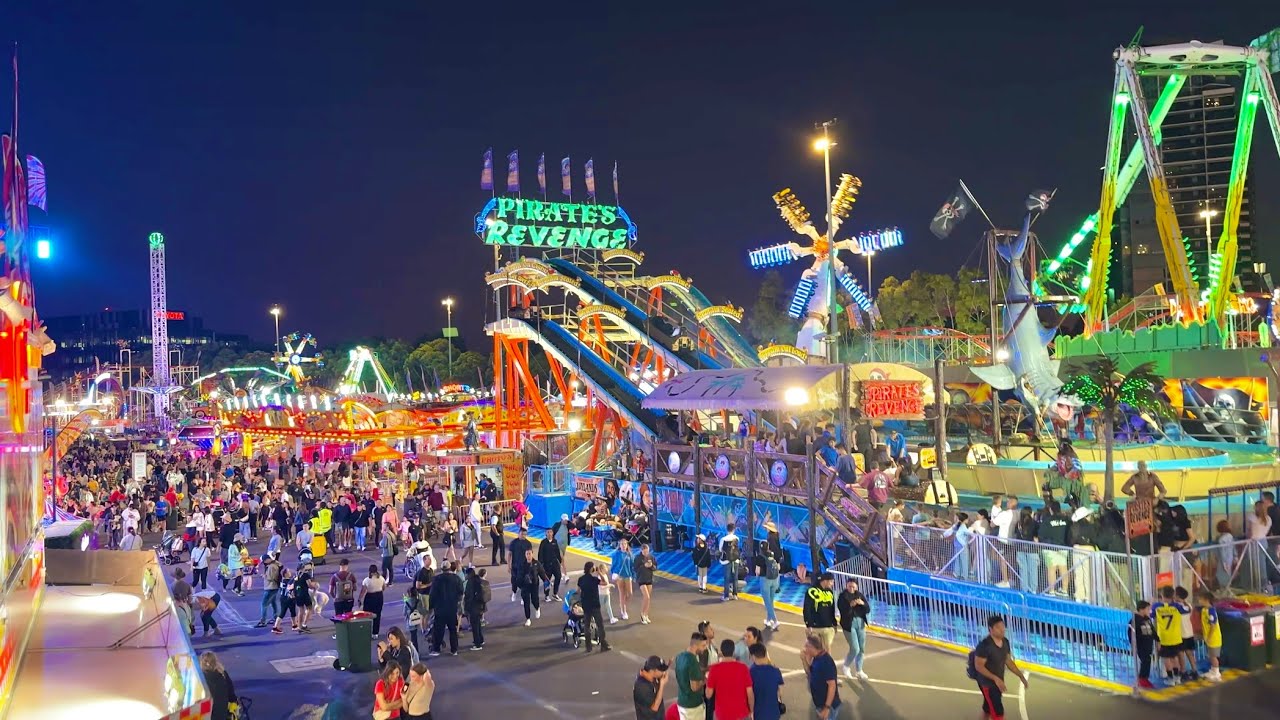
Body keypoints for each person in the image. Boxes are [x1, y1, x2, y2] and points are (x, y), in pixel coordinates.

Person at [970, 615, 1027, 720]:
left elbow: (1008, 661)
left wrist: (1021, 676)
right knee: (998, 713)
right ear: (990, 629)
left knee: (987, 708)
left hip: (997, 682)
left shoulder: (1005, 642)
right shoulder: (984, 646)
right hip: (988, 684)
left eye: (1003, 626)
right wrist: (995, 678)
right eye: (998, 627)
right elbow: (979, 667)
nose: (1002, 629)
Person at [705, 638, 753, 720]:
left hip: (722, 714)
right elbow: (750, 693)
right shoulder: (743, 668)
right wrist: (751, 711)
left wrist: (707, 679)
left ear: (722, 652)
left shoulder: (714, 669)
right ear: (733, 651)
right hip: (741, 713)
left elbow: (708, 695)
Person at [428, 562, 464, 656]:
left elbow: (432, 595)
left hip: (439, 609)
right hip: (452, 608)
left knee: (438, 630)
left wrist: (431, 606)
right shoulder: (456, 578)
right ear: (449, 568)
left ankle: (436, 649)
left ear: (441, 569)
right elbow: (461, 591)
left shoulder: (437, 579)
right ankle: (454, 649)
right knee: (453, 629)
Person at [838, 577, 870, 681]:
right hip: (849, 624)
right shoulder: (842, 596)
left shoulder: (859, 595)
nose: (851, 588)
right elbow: (842, 611)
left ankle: (859, 670)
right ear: (846, 586)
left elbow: (867, 609)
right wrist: (850, 606)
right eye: (849, 586)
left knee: (861, 648)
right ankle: (846, 666)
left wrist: (862, 604)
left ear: (856, 586)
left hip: (860, 623)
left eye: (853, 586)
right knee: (855, 648)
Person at [802, 634, 840, 720]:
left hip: (828, 707)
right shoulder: (817, 658)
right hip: (821, 704)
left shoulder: (826, 662)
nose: (804, 648)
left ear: (812, 647)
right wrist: (805, 660)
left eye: (806, 646)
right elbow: (810, 674)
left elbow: (832, 685)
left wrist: (826, 708)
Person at [577, 561, 611, 653]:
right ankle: (603, 644)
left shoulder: (581, 579)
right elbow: (605, 582)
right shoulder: (594, 579)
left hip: (586, 605)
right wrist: (599, 572)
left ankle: (588, 646)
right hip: (595, 604)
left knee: (586, 625)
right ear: (592, 569)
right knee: (600, 625)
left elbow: (578, 591)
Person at [675, 632, 709, 720]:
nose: (705, 648)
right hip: (693, 705)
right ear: (695, 645)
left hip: (682, 702)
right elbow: (695, 687)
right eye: (703, 645)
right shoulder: (692, 661)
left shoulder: (679, 656)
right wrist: (706, 679)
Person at [803, 572, 837, 653]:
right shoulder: (811, 591)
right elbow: (807, 608)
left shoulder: (830, 592)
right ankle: (810, 665)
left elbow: (832, 609)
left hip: (827, 626)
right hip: (815, 627)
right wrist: (808, 624)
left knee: (827, 650)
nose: (832, 584)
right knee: (812, 651)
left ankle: (827, 665)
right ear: (825, 581)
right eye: (831, 581)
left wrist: (834, 623)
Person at [1194, 590, 1223, 682]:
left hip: (1213, 638)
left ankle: (1217, 672)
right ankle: (1213, 670)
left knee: (1213, 656)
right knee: (1210, 655)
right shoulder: (1204, 610)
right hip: (1208, 637)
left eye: (1200, 599)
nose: (1199, 600)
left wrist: (1209, 636)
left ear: (1206, 600)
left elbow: (1213, 626)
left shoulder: (1211, 611)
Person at [200, 651, 237, 720]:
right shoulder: (223, 674)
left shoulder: (200, 678)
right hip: (222, 714)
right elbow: (232, 696)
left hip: (207, 715)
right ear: (216, 662)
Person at [517, 548, 547, 627]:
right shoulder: (522, 564)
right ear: (525, 555)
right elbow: (518, 576)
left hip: (534, 585)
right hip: (525, 586)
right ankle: (528, 619)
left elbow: (542, 573)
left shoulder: (537, 564)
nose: (528, 555)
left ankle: (537, 608)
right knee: (526, 603)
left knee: (534, 600)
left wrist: (546, 581)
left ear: (532, 554)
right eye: (527, 554)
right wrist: (520, 584)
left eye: (530, 553)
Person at [633, 655, 670, 720]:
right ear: (653, 671)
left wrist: (668, 665)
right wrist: (662, 685)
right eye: (661, 670)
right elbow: (654, 709)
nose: (663, 672)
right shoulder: (642, 686)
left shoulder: (652, 677)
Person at [360, 564, 389, 638]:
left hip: (369, 597)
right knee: (377, 615)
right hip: (379, 597)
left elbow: (363, 591)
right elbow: (383, 588)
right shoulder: (381, 578)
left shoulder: (366, 580)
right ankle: (375, 633)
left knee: (366, 615)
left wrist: (359, 599)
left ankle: (366, 631)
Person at [611, 538, 637, 620]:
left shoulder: (630, 554)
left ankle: (622, 604)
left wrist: (634, 576)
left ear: (627, 545)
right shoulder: (616, 554)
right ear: (619, 545)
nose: (623, 545)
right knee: (622, 593)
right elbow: (613, 566)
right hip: (620, 576)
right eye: (622, 544)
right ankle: (623, 610)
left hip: (628, 575)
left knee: (630, 593)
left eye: (625, 544)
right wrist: (614, 574)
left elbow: (633, 566)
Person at [1132, 600, 1155, 689]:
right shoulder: (1135, 621)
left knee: (1148, 660)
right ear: (1141, 609)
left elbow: (1152, 630)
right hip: (1141, 645)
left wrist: (1158, 640)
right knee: (1145, 660)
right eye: (1147, 609)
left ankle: (1144, 678)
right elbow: (1132, 633)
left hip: (1148, 644)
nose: (1149, 611)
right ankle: (1142, 678)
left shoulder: (1147, 619)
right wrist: (1134, 644)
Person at [255, 552, 282, 628]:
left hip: (271, 587)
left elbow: (272, 577)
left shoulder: (271, 567)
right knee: (273, 603)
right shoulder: (276, 564)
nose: (263, 562)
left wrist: (265, 576)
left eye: (264, 561)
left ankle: (263, 621)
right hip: (274, 587)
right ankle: (275, 617)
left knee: (264, 604)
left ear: (267, 560)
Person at [464, 566, 488, 650]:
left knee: (474, 625)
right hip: (480, 606)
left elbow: (468, 596)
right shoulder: (478, 580)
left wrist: (467, 607)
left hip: (473, 607)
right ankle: (480, 640)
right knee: (478, 624)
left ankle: (477, 644)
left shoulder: (470, 582)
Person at [635, 543, 657, 624]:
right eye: (644, 552)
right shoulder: (637, 558)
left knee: (648, 598)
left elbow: (655, 567)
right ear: (641, 551)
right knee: (646, 597)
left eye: (647, 551)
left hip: (649, 579)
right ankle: (642, 614)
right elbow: (635, 568)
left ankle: (646, 614)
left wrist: (651, 566)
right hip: (641, 579)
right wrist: (644, 565)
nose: (646, 553)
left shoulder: (651, 557)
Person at [539, 528, 564, 601]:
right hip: (547, 565)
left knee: (558, 577)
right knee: (547, 580)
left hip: (555, 564)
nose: (549, 533)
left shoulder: (555, 541)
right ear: (545, 533)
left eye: (551, 532)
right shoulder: (543, 542)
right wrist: (541, 565)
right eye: (548, 532)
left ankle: (555, 593)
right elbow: (540, 554)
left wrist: (559, 562)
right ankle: (546, 595)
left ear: (553, 533)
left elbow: (557, 552)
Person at [718, 524, 741, 601]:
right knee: (735, 578)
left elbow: (720, 549)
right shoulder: (737, 538)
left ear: (727, 529)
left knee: (726, 578)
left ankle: (726, 596)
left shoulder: (723, 539)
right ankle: (735, 595)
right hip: (736, 560)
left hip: (726, 560)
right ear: (734, 529)